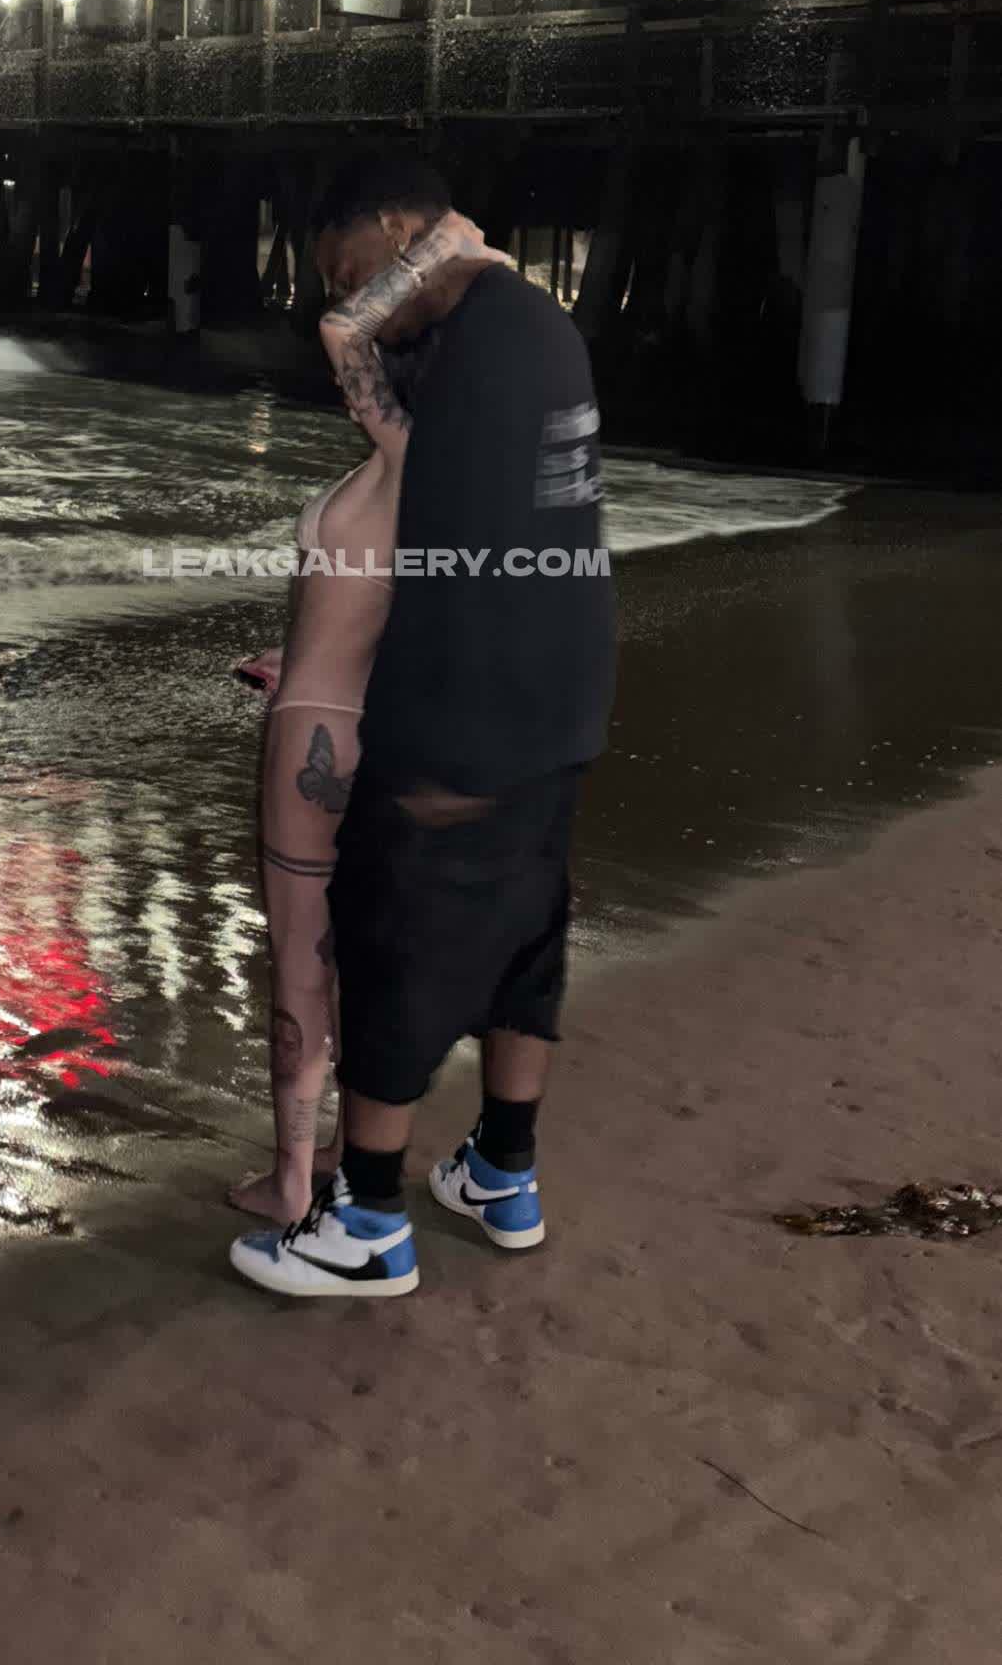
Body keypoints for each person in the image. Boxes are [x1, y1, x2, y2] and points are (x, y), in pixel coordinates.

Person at [231, 151, 616, 1297]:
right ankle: (503, 1171)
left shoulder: (478, 357)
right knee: (523, 954)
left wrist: (422, 751)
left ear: (404, 233)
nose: (348, 303)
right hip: (552, 712)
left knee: (386, 962)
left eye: (352, 270)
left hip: (454, 727)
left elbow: (466, 576)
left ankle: (364, 1223)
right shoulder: (537, 336)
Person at [229, 193, 503, 1224]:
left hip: (314, 730)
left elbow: (341, 329)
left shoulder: (402, 450)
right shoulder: (462, 481)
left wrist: (451, 242)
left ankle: (293, 1183)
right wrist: (299, 648)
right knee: (367, 958)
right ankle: (353, 1156)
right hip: (378, 720)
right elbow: (403, 609)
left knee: (302, 968)